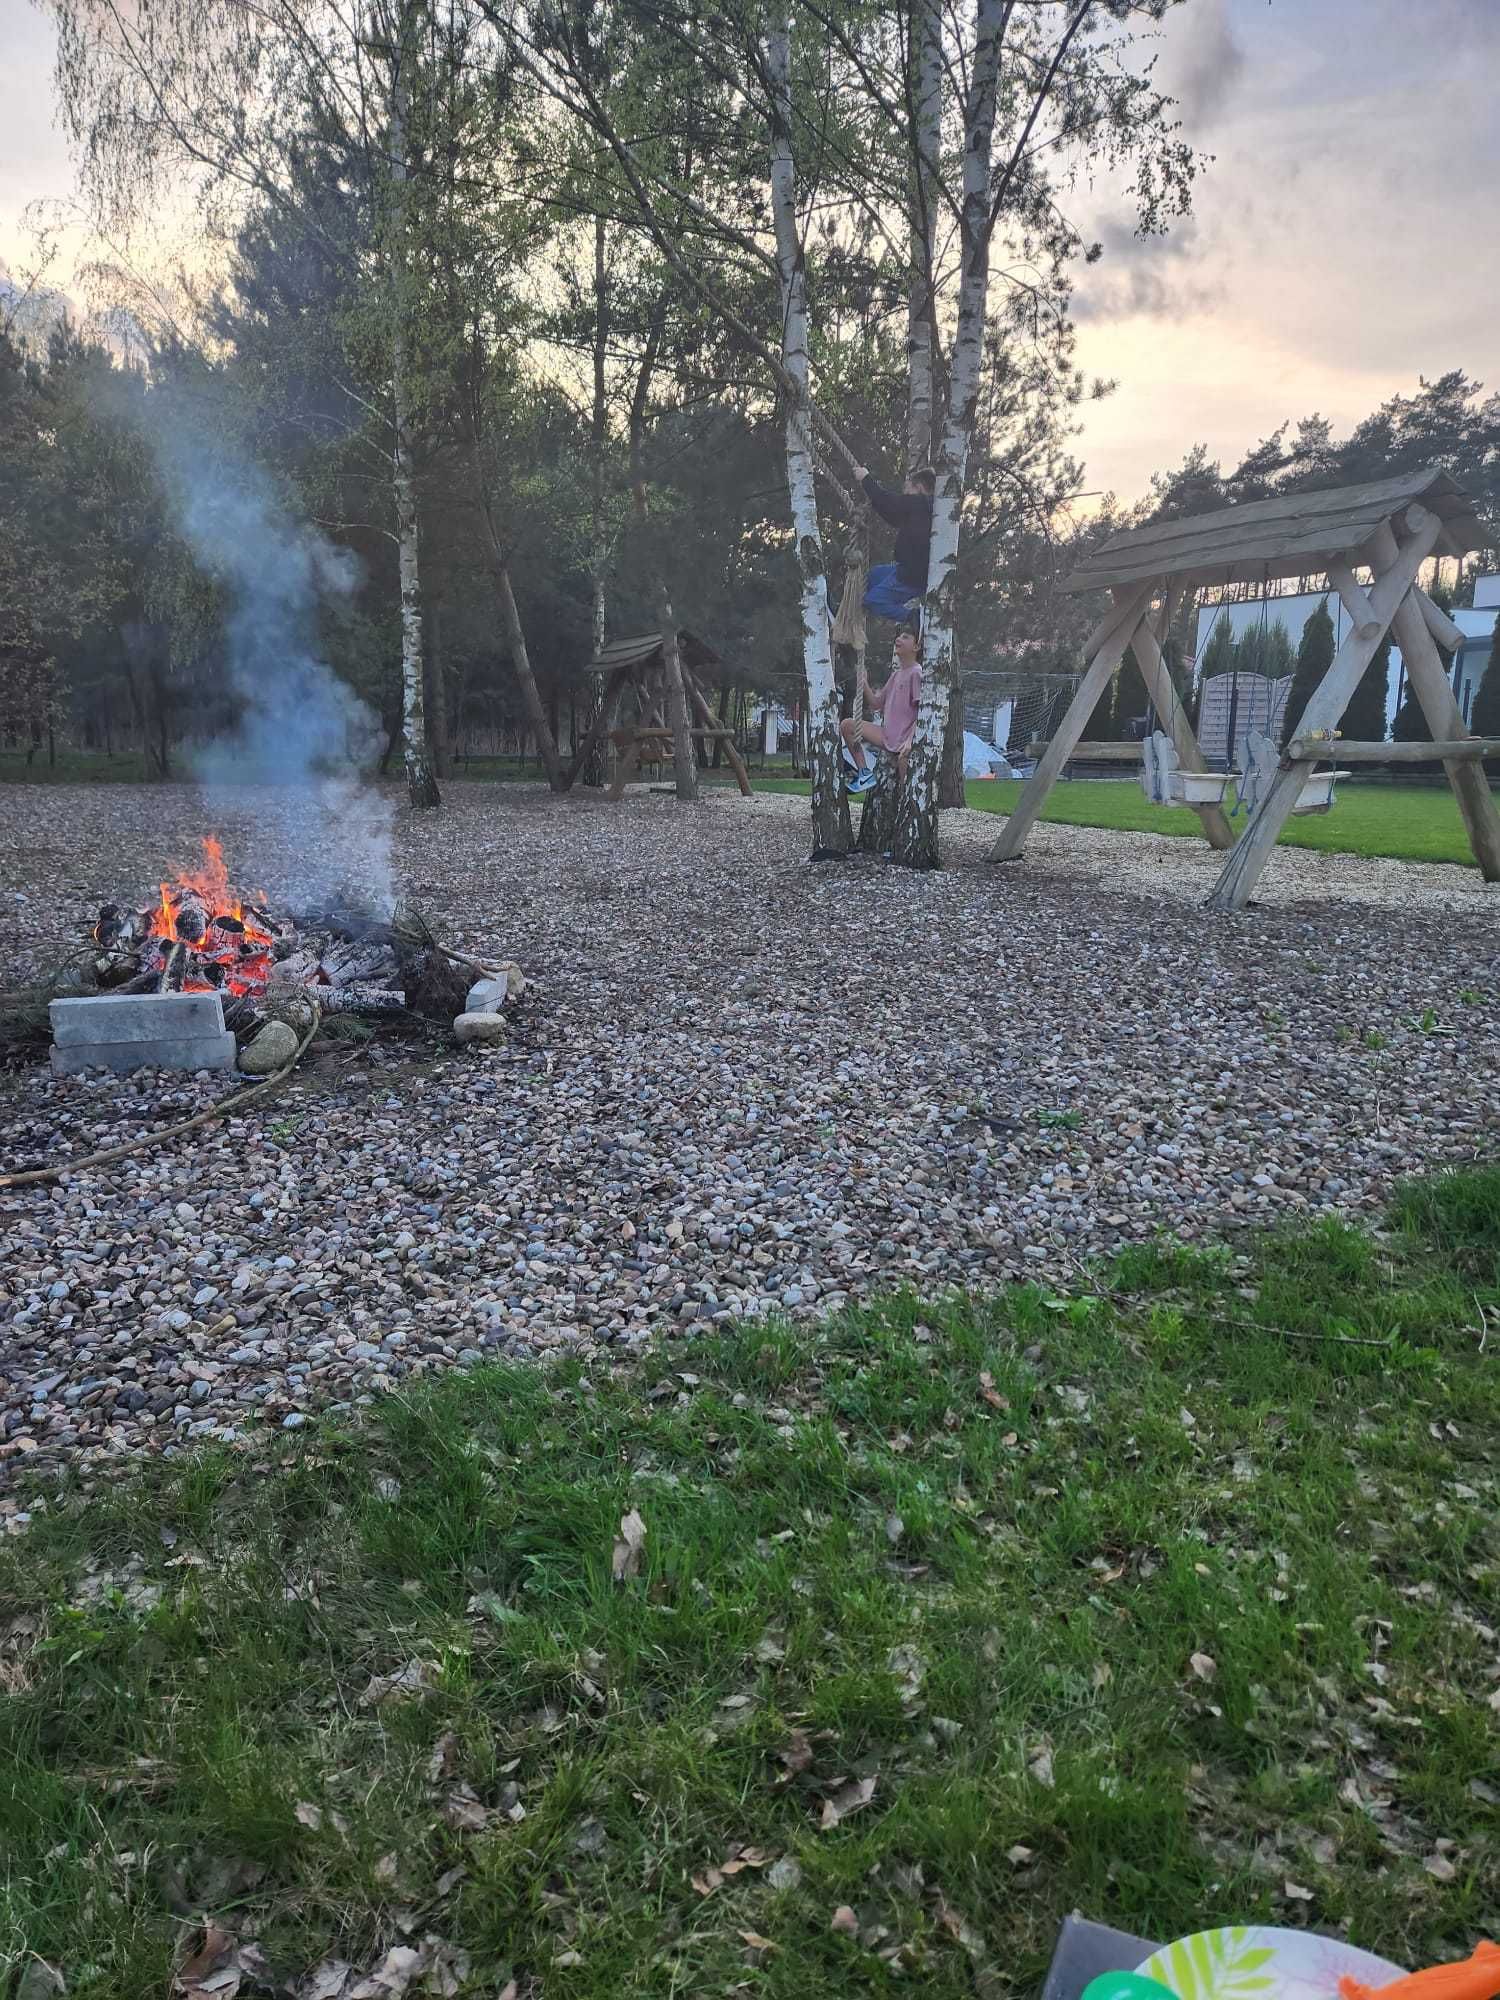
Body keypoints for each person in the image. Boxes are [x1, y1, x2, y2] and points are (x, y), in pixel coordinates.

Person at [840, 626, 922, 796]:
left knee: (903, 770)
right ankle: (864, 774)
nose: (898, 639)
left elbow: (922, 712)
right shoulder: (896, 675)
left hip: (903, 741)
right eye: (898, 636)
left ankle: (906, 804)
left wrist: (909, 741)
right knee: (847, 726)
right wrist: (864, 683)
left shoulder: (916, 673)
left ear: (916, 647)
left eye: (905, 637)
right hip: (886, 735)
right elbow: (876, 704)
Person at [855, 462, 934, 625]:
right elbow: (892, 513)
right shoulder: (927, 511)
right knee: (873, 575)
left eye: (907, 491)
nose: (905, 496)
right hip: (911, 571)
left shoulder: (919, 503)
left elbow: (888, 502)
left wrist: (865, 478)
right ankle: (847, 613)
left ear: (918, 488)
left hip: (910, 577)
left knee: (874, 600)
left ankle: (914, 618)